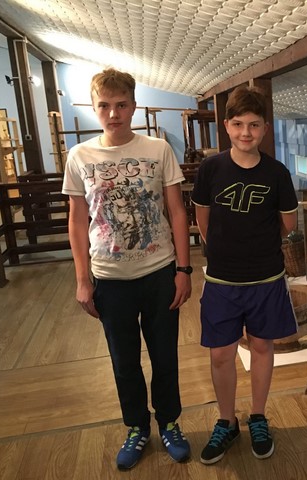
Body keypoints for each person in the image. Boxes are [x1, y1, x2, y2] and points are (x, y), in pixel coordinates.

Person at [62, 67, 193, 470]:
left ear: (134, 106)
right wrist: (82, 280)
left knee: (164, 355)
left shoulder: (158, 150)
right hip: (110, 278)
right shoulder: (80, 156)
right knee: (123, 361)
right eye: (104, 105)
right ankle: (136, 426)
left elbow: (176, 210)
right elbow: (77, 221)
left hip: (158, 271)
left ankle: (169, 422)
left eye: (121, 105)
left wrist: (184, 269)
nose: (113, 113)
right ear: (94, 108)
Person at [191, 85, 299, 465]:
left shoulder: (277, 172)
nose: (246, 132)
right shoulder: (211, 169)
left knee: (262, 347)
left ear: (265, 128)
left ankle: (257, 416)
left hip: (265, 277)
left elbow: (288, 223)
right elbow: (202, 218)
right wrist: (223, 248)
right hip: (222, 279)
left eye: (254, 125)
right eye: (238, 124)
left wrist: (258, 246)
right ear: (226, 126)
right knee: (221, 352)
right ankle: (226, 421)